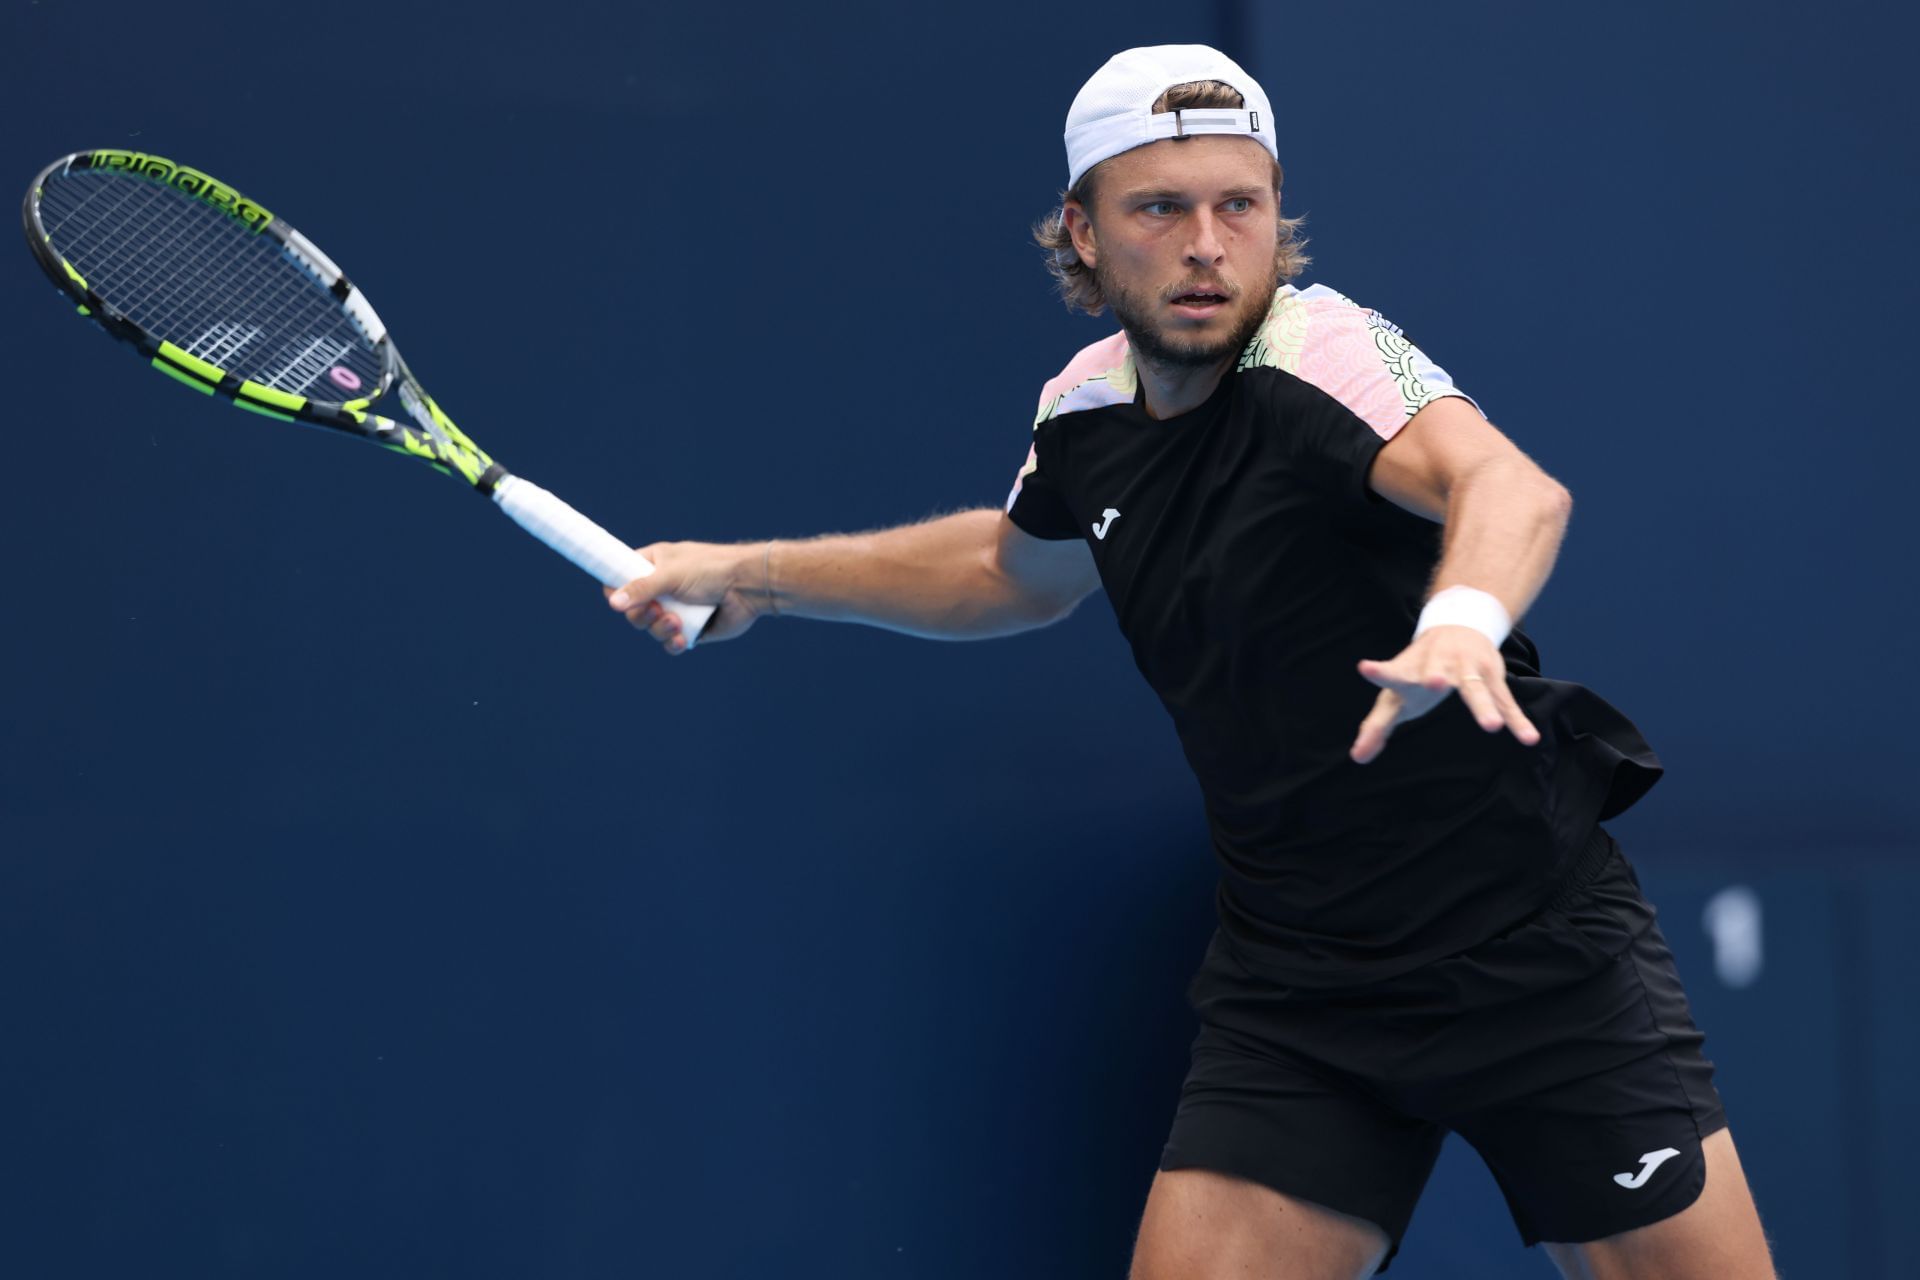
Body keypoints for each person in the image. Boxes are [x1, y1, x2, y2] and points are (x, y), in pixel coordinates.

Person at [605, 44, 1775, 1280]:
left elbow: (1508, 484)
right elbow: (1011, 570)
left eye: (1241, 204)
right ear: (1084, 230)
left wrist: (1462, 619)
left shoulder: (1320, 353)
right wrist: (756, 572)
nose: (1209, 243)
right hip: (1302, 984)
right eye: (1161, 207)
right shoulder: (1087, 413)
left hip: (1532, 954)